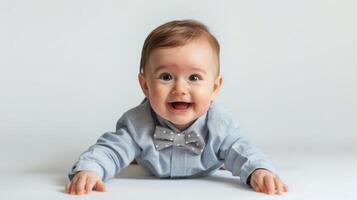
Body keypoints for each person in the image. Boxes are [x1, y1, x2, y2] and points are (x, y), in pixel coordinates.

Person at [65, 19, 289, 195]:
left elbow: (241, 149)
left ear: (215, 86)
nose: (180, 89)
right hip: (146, 157)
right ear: (145, 85)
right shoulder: (137, 123)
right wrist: (91, 170)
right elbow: (110, 149)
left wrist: (259, 170)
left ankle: (216, 159)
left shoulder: (219, 123)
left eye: (194, 77)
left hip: (209, 166)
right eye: (166, 76)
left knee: (231, 152)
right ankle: (136, 153)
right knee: (125, 148)